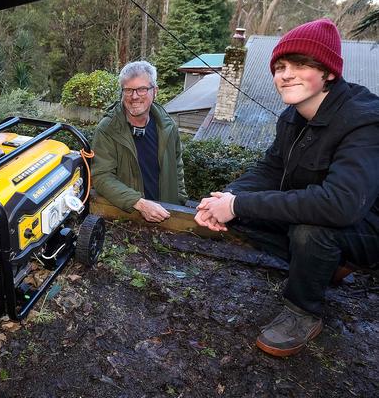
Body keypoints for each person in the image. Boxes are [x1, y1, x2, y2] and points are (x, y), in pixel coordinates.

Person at [194, 18, 379, 357]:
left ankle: (303, 311)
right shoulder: (292, 118)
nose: (286, 74)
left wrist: (238, 205)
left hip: (364, 228)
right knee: (245, 212)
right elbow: (269, 169)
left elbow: (340, 205)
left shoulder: (364, 120)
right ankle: (324, 266)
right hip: (321, 216)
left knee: (311, 229)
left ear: (329, 72)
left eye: (301, 65)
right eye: (280, 66)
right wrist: (226, 198)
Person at [92, 61, 187, 222]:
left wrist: (180, 200)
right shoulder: (108, 129)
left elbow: (177, 166)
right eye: (128, 90)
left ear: (155, 91)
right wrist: (139, 203)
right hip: (129, 216)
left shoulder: (167, 126)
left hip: (166, 215)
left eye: (142, 89)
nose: (134, 96)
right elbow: (101, 177)